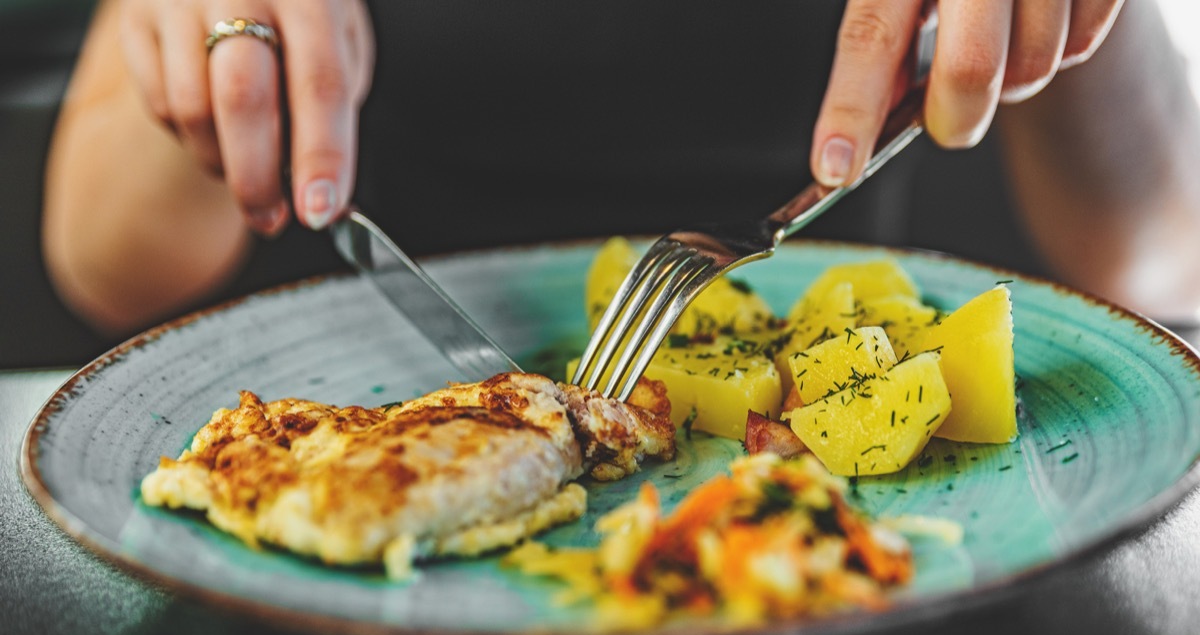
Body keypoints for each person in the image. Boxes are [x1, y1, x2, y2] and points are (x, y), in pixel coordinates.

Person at [40, 0, 1200, 339]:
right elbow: (105, 258)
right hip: (350, 398)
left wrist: (1086, 24)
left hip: (846, 552)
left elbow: (1157, 252)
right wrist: (210, 56)